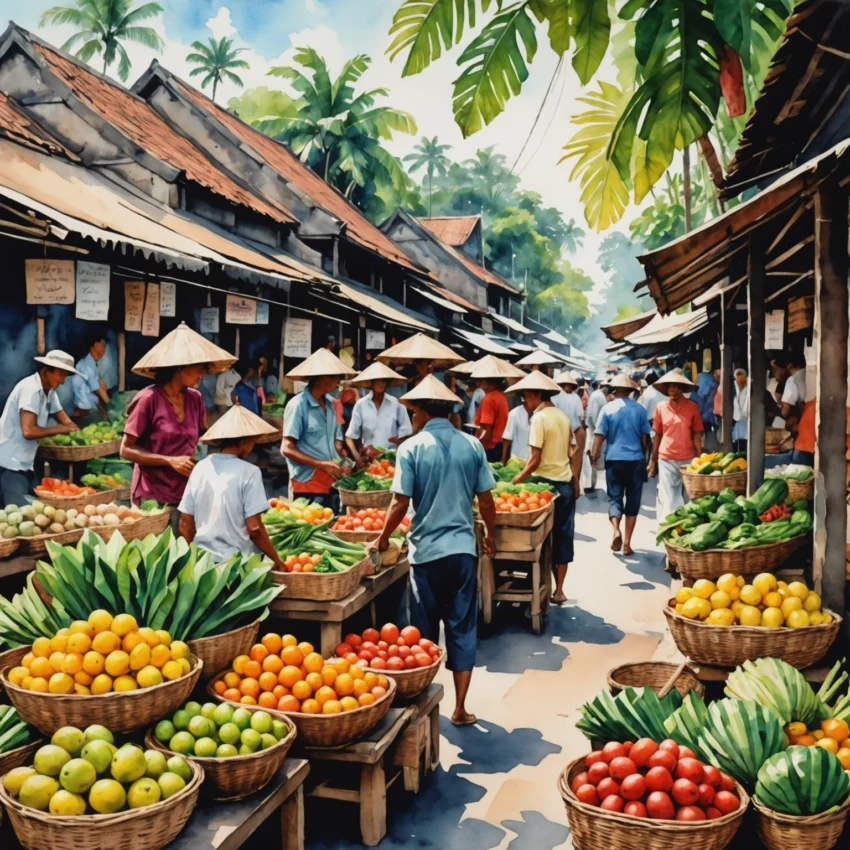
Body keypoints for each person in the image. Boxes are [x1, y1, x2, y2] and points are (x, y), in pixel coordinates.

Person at [373, 375, 496, 727]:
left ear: (424, 413)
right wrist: (491, 535)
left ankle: (425, 711)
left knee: (422, 633)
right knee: (461, 627)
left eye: (413, 412)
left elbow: (399, 504)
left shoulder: (411, 448)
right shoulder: (471, 445)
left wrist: (382, 539)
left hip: (425, 554)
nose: (411, 418)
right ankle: (460, 708)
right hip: (461, 552)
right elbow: (486, 501)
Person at [121, 323, 227, 509]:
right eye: (199, 369)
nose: (202, 375)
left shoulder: (195, 399)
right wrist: (169, 460)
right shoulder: (149, 399)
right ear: (180, 367)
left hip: (186, 492)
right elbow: (126, 450)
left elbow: (204, 437)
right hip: (152, 494)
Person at [178, 405, 285, 569]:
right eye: (252, 443)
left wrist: (194, 556)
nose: (251, 449)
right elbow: (255, 528)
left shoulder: (201, 467)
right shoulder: (250, 472)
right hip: (237, 565)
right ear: (244, 442)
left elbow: (185, 523)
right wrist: (276, 560)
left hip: (203, 564)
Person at [508, 371, 576, 605]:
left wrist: (517, 479)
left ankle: (536, 584)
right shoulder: (562, 417)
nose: (525, 402)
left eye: (526, 396)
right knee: (563, 536)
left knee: (538, 539)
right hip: (565, 485)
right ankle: (560, 590)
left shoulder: (538, 418)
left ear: (536, 394)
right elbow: (571, 450)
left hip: (544, 487)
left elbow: (534, 459)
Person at [281, 347, 357, 512]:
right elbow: (286, 448)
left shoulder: (331, 404)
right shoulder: (298, 405)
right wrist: (320, 464)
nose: (338, 381)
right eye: (336, 376)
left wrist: (345, 462)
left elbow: (333, 445)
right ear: (323, 377)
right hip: (307, 483)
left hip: (332, 482)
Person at [0, 351, 80, 505]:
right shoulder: (30, 389)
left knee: (33, 507)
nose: (63, 381)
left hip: (25, 462)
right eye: (61, 375)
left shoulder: (49, 392)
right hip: (8, 461)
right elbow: (28, 431)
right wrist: (60, 429)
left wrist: (73, 432)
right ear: (48, 370)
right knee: (16, 514)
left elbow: (67, 423)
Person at [591, 375, 650, 555]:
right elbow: (645, 438)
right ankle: (626, 544)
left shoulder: (607, 409)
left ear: (614, 391)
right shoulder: (639, 410)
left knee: (615, 498)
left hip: (614, 460)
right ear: (632, 392)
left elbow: (598, 436)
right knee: (633, 502)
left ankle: (616, 530)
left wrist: (594, 457)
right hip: (635, 460)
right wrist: (645, 458)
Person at [649, 370, 704, 524]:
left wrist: (699, 459)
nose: (672, 389)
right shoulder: (661, 407)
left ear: (682, 388)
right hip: (666, 457)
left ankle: (685, 524)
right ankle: (670, 526)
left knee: (690, 495)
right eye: (670, 386)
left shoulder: (692, 407)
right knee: (669, 496)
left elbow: (697, 435)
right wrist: (653, 461)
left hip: (687, 458)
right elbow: (657, 435)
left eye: (676, 386)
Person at [345, 362, 412, 462]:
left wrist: (398, 440)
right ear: (371, 382)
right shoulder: (361, 404)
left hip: (392, 459)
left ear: (387, 383)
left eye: (384, 380)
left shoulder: (396, 403)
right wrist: (357, 456)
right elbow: (350, 436)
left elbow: (407, 432)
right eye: (377, 380)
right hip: (369, 459)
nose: (381, 383)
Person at [553, 371, 586, 487]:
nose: (570, 387)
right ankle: (575, 482)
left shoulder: (555, 397)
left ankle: (571, 482)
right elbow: (580, 417)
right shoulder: (575, 397)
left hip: (562, 433)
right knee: (575, 459)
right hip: (573, 431)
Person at [71, 332, 110, 423]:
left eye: (103, 351)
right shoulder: (85, 365)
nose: (101, 354)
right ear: (91, 348)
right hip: (84, 410)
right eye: (98, 351)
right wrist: (110, 405)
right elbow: (97, 388)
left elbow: (99, 386)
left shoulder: (92, 364)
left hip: (90, 407)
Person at [474, 376, 510, 463]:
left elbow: (487, 429)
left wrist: (479, 448)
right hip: (499, 445)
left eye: (483, 380)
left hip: (490, 447)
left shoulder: (488, 399)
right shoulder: (501, 396)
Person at [585, 379, 610, 490]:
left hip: (595, 431)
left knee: (594, 457)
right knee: (594, 457)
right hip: (595, 431)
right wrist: (599, 431)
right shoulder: (598, 396)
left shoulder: (598, 395)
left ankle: (592, 483)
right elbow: (594, 416)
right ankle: (592, 483)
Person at [501, 393, 536, 463]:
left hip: (534, 462)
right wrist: (503, 461)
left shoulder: (541, 414)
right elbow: (506, 439)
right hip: (517, 460)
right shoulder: (514, 414)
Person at [780, 353, 807, 427]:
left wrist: (778, 423)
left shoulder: (792, 379)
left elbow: (786, 408)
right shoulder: (810, 373)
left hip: (806, 415)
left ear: (789, 365)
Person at [732, 368, 749, 452]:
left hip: (748, 420)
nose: (740, 378)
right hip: (738, 421)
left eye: (741, 375)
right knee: (737, 443)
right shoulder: (734, 388)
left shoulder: (749, 388)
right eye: (738, 376)